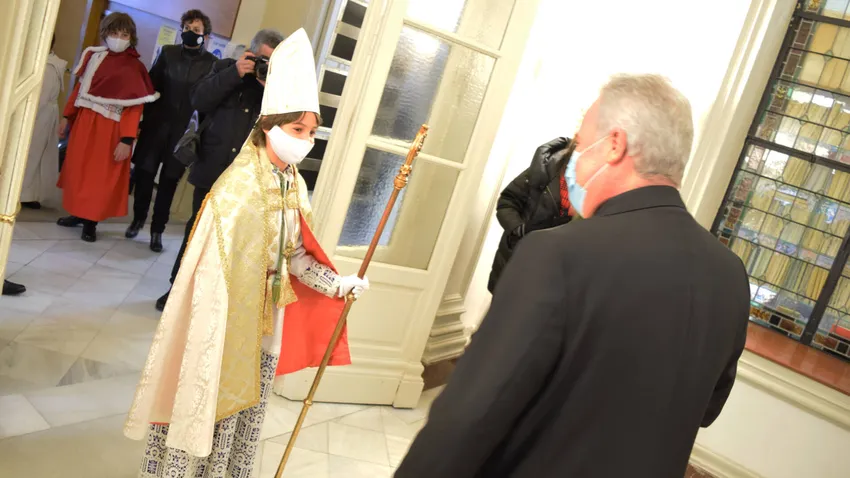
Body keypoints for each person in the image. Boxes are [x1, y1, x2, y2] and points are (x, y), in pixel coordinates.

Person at [396, 74, 751, 478]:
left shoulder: (557, 253)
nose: (574, 162)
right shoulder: (729, 274)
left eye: (581, 145)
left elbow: (470, 414)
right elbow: (706, 408)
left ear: (614, 145)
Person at [124, 29, 369, 477]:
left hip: (266, 324)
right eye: (297, 130)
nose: (306, 140)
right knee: (205, 409)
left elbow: (296, 256)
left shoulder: (293, 184)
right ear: (269, 126)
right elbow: (211, 272)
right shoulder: (236, 190)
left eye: (312, 132)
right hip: (222, 325)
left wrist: (337, 284)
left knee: (244, 420)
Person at [153, 28, 282, 311]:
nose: (265, 66)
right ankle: (176, 290)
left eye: (272, 62)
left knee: (231, 241)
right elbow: (199, 100)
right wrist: (235, 73)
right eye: (262, 60)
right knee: (197, 232)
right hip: (212, 169)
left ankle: (209, 299)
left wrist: (270, 86)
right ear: (250, 53)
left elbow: (281, 128)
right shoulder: (224, 68)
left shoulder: (278, 89)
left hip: (247, 179)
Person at [55, 12, 158, 242]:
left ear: (131, 38)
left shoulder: (134, 68)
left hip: (111, 128)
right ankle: (78, 213)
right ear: (105, 33)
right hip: (85, 122)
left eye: (124, 34)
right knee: (79, 170)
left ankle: (91, 222)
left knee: (100, 177)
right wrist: (67, 117)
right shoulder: (94, 57)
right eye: (114, 33)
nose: (118, 38)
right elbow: (79, 90)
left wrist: (126, 140)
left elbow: (133, 107)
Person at [126, 9, 217, 252]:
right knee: (144, 176)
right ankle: (138, 219)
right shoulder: (168, 53)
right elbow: (151, 86)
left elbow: (208, 102)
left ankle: (157, 230)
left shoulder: (211, 64)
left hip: (183, 134)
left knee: (168, 183)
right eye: (186, 28)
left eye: (196, 30)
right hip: (156, 126)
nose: (190, 33)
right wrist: (140, 121)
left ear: (205, 36)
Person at [488, 137, 574, 292]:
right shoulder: (546, 167)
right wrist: (519, 229)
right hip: (515, 260)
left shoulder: (597, 185)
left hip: (553, 276)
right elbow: (508, 201)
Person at [20, 35, 65, 210]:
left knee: (33, 153)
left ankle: (26, 193)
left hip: (40, 113)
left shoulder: (50, 65)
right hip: (37, 111)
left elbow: (43, 96)